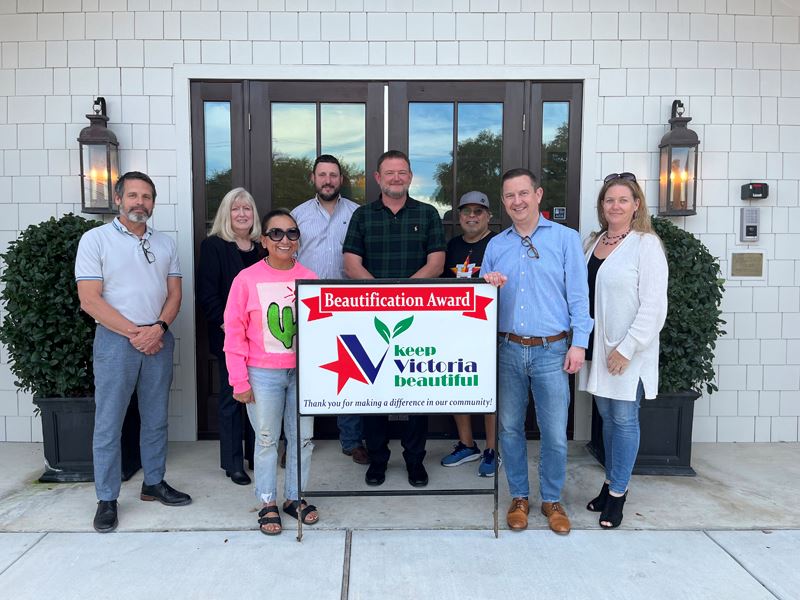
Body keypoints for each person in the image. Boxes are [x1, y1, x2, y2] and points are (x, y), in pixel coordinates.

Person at [76, 171, 190, 534]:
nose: (140, 203)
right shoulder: (95, 240)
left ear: (153, 202)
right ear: (118, 198)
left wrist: (158, 329)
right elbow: (89, 299)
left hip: (158, 336)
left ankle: (153, 483)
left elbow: (175, 294)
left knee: (156, 418)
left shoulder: (166, 244)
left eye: (147, 197)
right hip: (115, 341)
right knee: (109, 422)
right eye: (133, 196)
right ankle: (107, 498)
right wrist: (135, 333)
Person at [482, 168, 592, 535]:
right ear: (504, 201)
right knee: (510, 429)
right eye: (510, 196)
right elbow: (481, 303)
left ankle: (551, 499)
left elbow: (579, 296)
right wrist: (489, 286)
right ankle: (519, 496)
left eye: (523, 193)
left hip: (552, 350)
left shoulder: (565, 239)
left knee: (555, 432)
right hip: (509, 349)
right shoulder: (496, 245)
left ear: (538, 194)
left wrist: (579, 343)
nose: (517, 201)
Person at [342, 149, 446, 488]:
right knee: (375, 392)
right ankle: (378, 460)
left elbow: (436, 263)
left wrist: (403, 296)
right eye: (389, 173)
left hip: (418, 318)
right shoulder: (362, 216)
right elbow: (351, 264)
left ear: (410, 176)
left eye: (402, 172)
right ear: (377, 178)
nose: (396, 178)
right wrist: (381, 298)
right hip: (371, 317)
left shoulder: (428, 214)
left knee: (416, 390)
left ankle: (415, 460)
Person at [579, 172, 668, 529]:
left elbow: (654, 306)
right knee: (607, 420)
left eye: (622, 200)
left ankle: (618, 494)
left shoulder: (646, 245)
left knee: (624, 420)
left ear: (636, 206)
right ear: (602, 206)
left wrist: (627, 348)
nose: (615, 206)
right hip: (597, 350)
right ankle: (609, 483)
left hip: (628, 350)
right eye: (609, 200)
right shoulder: (593, 243)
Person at [224, 208, 318, 535]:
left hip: (301, 374)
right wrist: (238, 379)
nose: (284, 239)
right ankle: (267, 502)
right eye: (276, 233)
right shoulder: (246, 279)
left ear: (298, 240)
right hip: (262, 373)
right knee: (266, 440)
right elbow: (233, 332)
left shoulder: (310, 278)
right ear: (264, 240)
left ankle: (294, 496)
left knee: (303, 438)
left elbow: (319, 331)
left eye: (292, 233)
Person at [291, 154, 366, 466]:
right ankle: (296, 440)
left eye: (333, 175)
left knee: (349, 372)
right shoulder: (298, 215)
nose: (328, 180)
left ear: (341, 179)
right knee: (300, 374)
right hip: (307, 304)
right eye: (322, 175)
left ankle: (351, 440)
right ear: (313, 179)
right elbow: (287, 257)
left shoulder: (357, 213)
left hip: (348, 304)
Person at [196, 188, 260, 486]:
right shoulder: (214, 246)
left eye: (247, 208)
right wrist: (230, 325)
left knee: (258, 398)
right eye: (235, 209)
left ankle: (253, 455)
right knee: (233, 396)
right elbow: (208, 294)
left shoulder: (262, 248)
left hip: (261, 340)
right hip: (229, 336)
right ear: (226, 213)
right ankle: (233, 463)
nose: (242, 214)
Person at [439, 190, 500, 477]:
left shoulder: (498, 245)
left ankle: (492, 448)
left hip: (490, 329)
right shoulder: (451, 246)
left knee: (489, 390)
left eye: (479, 211)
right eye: (466, 211)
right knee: (457, 385)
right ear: (459, 216)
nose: (472, 216)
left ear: (488, 216)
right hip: (455, 329)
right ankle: (467, 444)